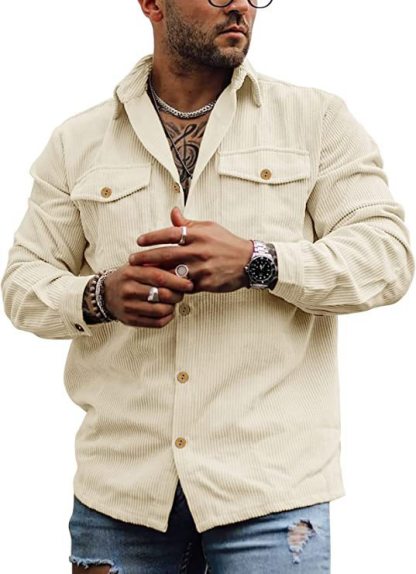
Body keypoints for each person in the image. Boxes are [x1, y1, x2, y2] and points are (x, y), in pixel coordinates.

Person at [2, 0, 414, 572]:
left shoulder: (315, 120)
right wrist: (99, 296)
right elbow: (22, 283)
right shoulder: (78, 142)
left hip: (269, 493)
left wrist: (258, 261)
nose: (241, 5)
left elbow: (388, 256)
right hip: (121, 496)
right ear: (152, 4)